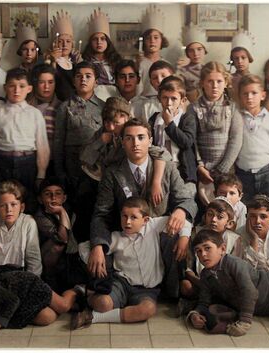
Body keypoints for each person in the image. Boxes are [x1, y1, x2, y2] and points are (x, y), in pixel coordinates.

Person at [88, 119, 198, 286]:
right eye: (129, 138)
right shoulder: (112, 173)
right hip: (129, 234)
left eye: (141, 137)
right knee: (100, 256)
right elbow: (101, 213)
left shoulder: (166, 168)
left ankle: (174, 291)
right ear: (122, 142)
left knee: (174, 233)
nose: (135, 143)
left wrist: (181, 210)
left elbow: (187, 199)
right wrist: (98, 245)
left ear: (150, 141)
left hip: (157, 231)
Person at [71, 197, 192, 329]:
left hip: (147, 290)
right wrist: (97, 250)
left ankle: (93, 317)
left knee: (148, 310)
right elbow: (83, 247)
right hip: (121, 284)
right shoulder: (116, 238)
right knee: (103, 304)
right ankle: (85, 294)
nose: (127, 222)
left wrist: (184, 238)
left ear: (145, 220)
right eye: (124, 216)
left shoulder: (153, 226)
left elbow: (184, 222)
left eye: (133, 217)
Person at [53, 61, 104, 242]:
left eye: (88, 76)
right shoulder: (64, 107)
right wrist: (60, 171)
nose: (83, 79)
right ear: (73, 81)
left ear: (96, 82)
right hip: (73, 169)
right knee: (75, 215)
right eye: (79, 76)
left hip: (97, 170)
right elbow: (58, 142)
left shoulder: (104, 107)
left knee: (95, 213)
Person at [0, 68, 50, 213]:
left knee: (27, 201)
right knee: (4, 202)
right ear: (5, 88)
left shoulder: (35, 114)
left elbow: (42, 146)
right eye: (12, 86)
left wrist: (41, 173)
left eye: (22, 86)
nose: (17, 90)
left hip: (27, 163)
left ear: (29, 88)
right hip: (3, 162)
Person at [186, 62, 243, 206]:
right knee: (206, 209)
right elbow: (192, 140)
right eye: (210, 81)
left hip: (226, 170)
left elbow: (236, 140)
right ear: (202, 83)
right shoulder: (194, 108)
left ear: (226, 83)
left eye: (219, 81)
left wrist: (222, 169)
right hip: (204, 172)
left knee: (225, 208)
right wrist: (200, 166)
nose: (215, 86)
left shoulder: (232, 108)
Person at [178, 197, 242, 316]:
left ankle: (200, 306)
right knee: (185, 286)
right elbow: (188, 269)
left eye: (220, 217)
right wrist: (202, 283)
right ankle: (208, 305)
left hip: (223, 286)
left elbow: (235, 270)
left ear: (229, 223)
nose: (213, 220)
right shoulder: (195, 233)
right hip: (200, 282)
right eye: (210, 214)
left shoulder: (234, 239)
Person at [33, 178, 89, 293]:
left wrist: (63, 212)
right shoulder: (40, 216)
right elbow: (62, 239)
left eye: (58, 194)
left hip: (71, 252)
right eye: (48, 194)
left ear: (64, 198)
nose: (53, 197)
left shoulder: (72, 210)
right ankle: (49, 279)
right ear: (40, 199)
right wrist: (61, 212)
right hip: (48, 253)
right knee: (57, 246)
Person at [235, 74, 269, 202]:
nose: (249, 97)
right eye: (245, 94)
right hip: (243, 175)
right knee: (244, 211)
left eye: (254, 93)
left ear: (263, 95)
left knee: (266, 210)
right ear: (240, 96)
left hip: (266, 173)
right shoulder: (236, 118)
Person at [149, 76, 197, 184]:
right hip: (159, 170)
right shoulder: (154, 119)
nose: (169, 103)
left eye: (174, 98)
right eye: (165, 98)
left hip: (181, 171)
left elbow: (186, 142)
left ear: (182, 100)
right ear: (159, 98)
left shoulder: (187, 119)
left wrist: (169, 124)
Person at [28, 64, 61, 178]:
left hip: (53, 161)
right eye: (42, 82)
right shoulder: (26, 106)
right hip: (28, 159)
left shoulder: (61, 107)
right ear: (35, 84)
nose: (47, 87)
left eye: (51, 82)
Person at [44, 10, 82, 101]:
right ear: (54, 44)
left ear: (72, 44)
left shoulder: (74, 62)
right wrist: (53, 62)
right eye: (60, 41)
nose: (65, 45)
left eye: (68, 41)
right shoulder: (48, 61)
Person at [137, 4, 170, 97]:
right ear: (143, 41)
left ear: (161, 40)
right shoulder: (140, 63)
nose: (152, 41)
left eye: (156, 37)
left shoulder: (167, 64)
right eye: (148, 38)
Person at [82, 8, 122, 86]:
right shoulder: (85, 61)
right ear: (90, 42)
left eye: (103, 39)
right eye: (95, 39)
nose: (99, 42)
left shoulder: (116, 60)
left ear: (108, 41)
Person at [177, 23, 207, 102]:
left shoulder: (210, 69)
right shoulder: (182, 71)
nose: (196, 54)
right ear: (187, 53)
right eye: (191, 50)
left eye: (199, 49)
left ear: (205, 50)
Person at [229, 30, 255, 100]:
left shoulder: (254, 80)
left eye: (243, 58)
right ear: (232, 60)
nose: (240, 61)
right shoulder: (229, 80)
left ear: (249, 58)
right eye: (236, 58)